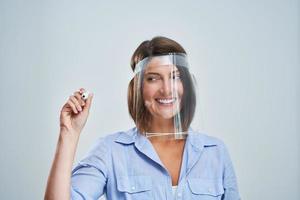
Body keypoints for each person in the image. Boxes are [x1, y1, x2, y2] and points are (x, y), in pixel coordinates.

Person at [45, 36, 240, 200]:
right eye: (153, 78)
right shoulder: (111, 151)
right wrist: (68, 134)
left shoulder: (215, 153)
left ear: (186, 84)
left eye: (175, 76)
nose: (166, 89)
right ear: (138, 88)